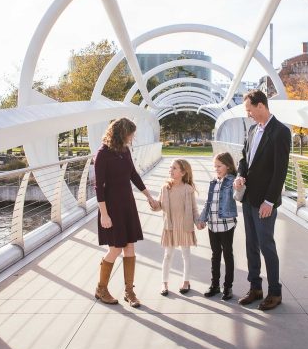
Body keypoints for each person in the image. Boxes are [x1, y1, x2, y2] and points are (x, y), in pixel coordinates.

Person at [234, 90, 291, 311]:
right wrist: (240, 175)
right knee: (251, 245)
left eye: (249, 109)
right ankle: (255, 287)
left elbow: (280, 171)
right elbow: (243, 158)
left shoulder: (280, 132)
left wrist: (270, 201)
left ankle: (274, 292)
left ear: (261, 106)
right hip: (248, 198)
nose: (248, 114)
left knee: (267, 245)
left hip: (264, 202)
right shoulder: (250, 130)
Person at [94, 118, 158, 308]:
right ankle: (101, 289)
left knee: (129, 247)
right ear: (122, 133)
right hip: (111, 208)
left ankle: (129, 291)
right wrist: (104, 215)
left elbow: (133, 175)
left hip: (127, 205)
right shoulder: (102, 154)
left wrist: (148, 196)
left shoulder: (124, 151)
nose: (132, 137)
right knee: (115, 248)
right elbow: (99, 187)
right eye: (131, 133)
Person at [152, 159, 201, 296]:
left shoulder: (188, 189)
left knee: (186, 255)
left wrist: (198, 222)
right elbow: (159, 206)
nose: (171, 170)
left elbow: (194, 209)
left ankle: (186, 281)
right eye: (170, 168)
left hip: (185, 226)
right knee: (167, 255)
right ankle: (164, 283)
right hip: (170, 227)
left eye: (174, 168)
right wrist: (153, 204)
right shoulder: (165, 188)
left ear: (183, 172)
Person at [198, 152, 238, 301]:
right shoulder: (213, 182)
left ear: (228, 166)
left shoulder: (232, 181)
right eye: (215, 166)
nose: (216, 169)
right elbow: (208, 204)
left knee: (227, 254)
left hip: (226, 224)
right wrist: (202, 219)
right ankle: (214, 285)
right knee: (215, 255)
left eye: (219, 166)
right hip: (212, 225)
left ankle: (228, 286)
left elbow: (238, 194)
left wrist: (239, 185)